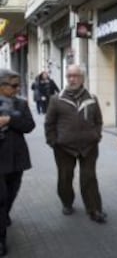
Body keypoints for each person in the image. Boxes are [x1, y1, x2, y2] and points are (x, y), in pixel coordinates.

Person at [44, 65, 107, 223]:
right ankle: (67, 202)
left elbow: (98, 120)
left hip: (89, 147)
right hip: (64, 148)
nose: (72, 79)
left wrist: (96, 135)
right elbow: (49, 124)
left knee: (89, 178)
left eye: (75, 76)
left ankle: (94, 209)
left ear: (82, 78)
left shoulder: (92, 98)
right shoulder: (56, 99)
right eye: (69, 76)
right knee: (65, 177)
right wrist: (54, 142)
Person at [0, 69, 35, 256]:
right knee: (1, 198)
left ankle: (4, 215)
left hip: (17, 158)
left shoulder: (21, 104)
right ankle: (1, 238)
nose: (17, 89)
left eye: (18, 85)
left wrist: (9, 119)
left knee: (11, 193)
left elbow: (29, 125)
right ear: (1, 86)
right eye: (13, 85)